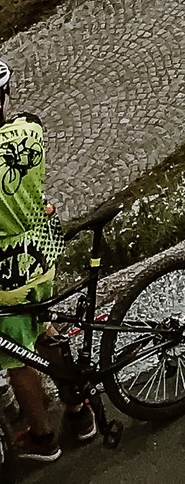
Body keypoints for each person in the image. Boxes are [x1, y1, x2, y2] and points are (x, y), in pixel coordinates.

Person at [0, 64, 73, 464]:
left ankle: (44, 439)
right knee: (45, 324)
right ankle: (79, 411)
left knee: (15, 357)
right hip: (43, 248)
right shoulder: (29, 129)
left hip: (7, 269)